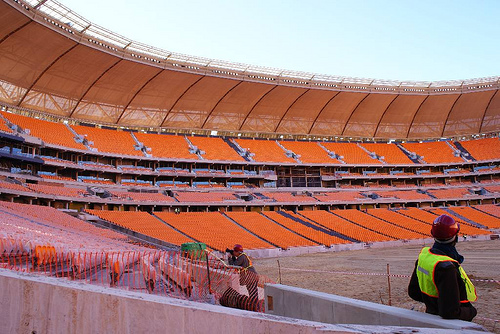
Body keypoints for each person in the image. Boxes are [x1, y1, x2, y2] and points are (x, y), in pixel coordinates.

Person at [408, 214, 477, 321]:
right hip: (451, 325)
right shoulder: (447, 267)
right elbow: (450, 312)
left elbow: (414, 293)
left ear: (432, 234)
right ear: (455, 237)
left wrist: (432, 302)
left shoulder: (424, 258)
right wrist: (471, 311)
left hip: (431, 315)